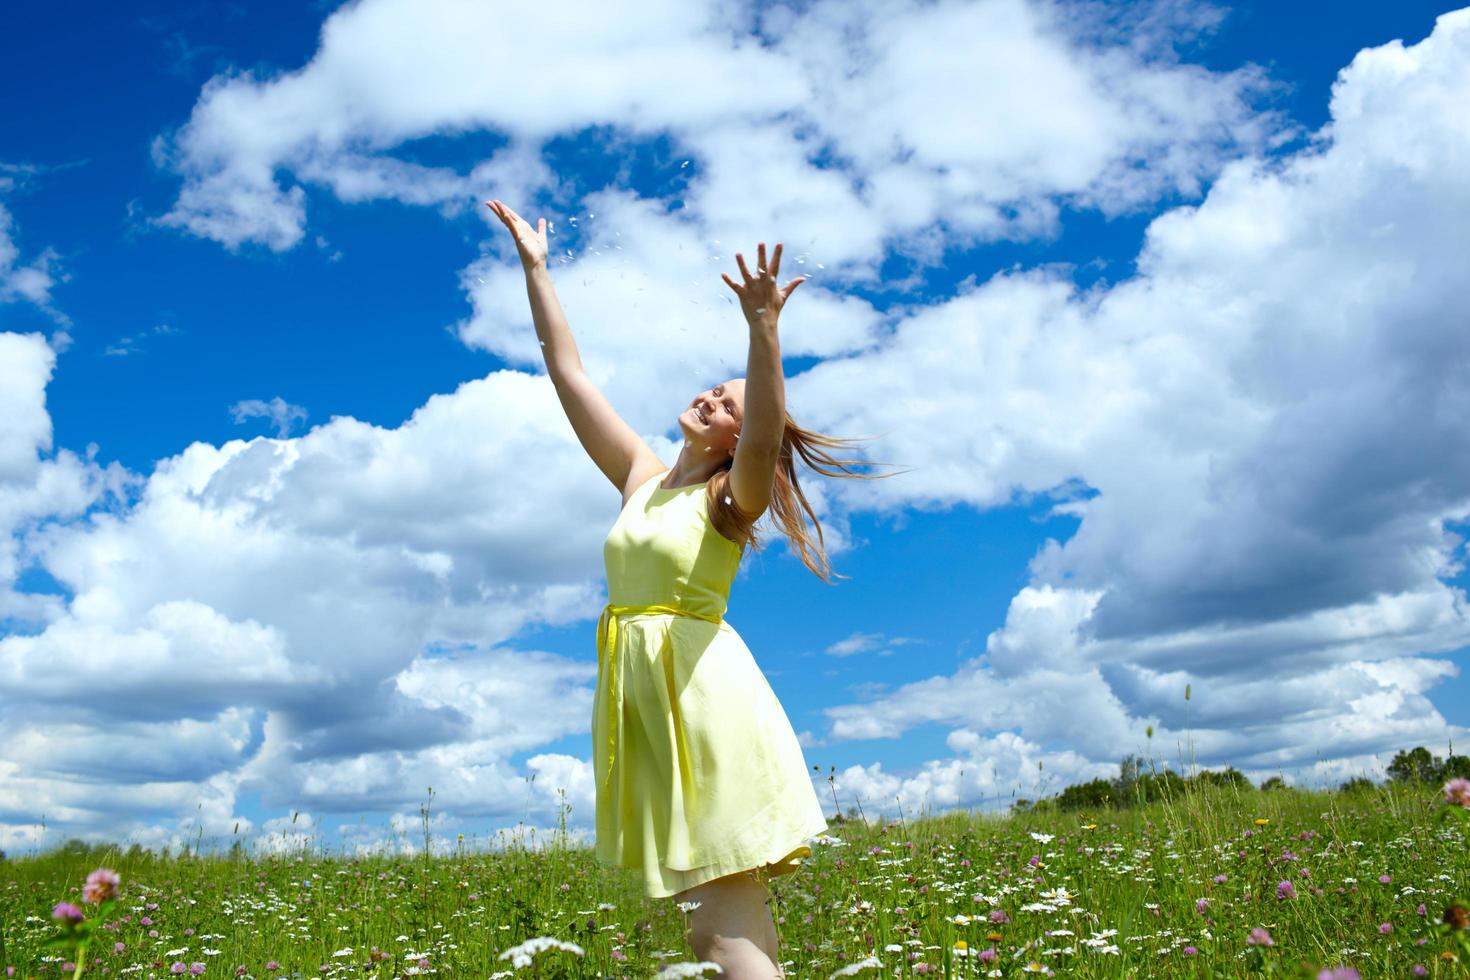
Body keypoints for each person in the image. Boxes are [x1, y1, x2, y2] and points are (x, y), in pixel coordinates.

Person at [487, 199, 897, 979]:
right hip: (650, 706)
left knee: (718, 933)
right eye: (713, 389)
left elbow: (769, 431)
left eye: (727, 405)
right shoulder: (643, 481)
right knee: (723, 928)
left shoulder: (728, 500)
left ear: (736, 441)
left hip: (702, 707)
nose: (711, 398)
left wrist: (762, 330)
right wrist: (536, 271)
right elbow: (567, 373)